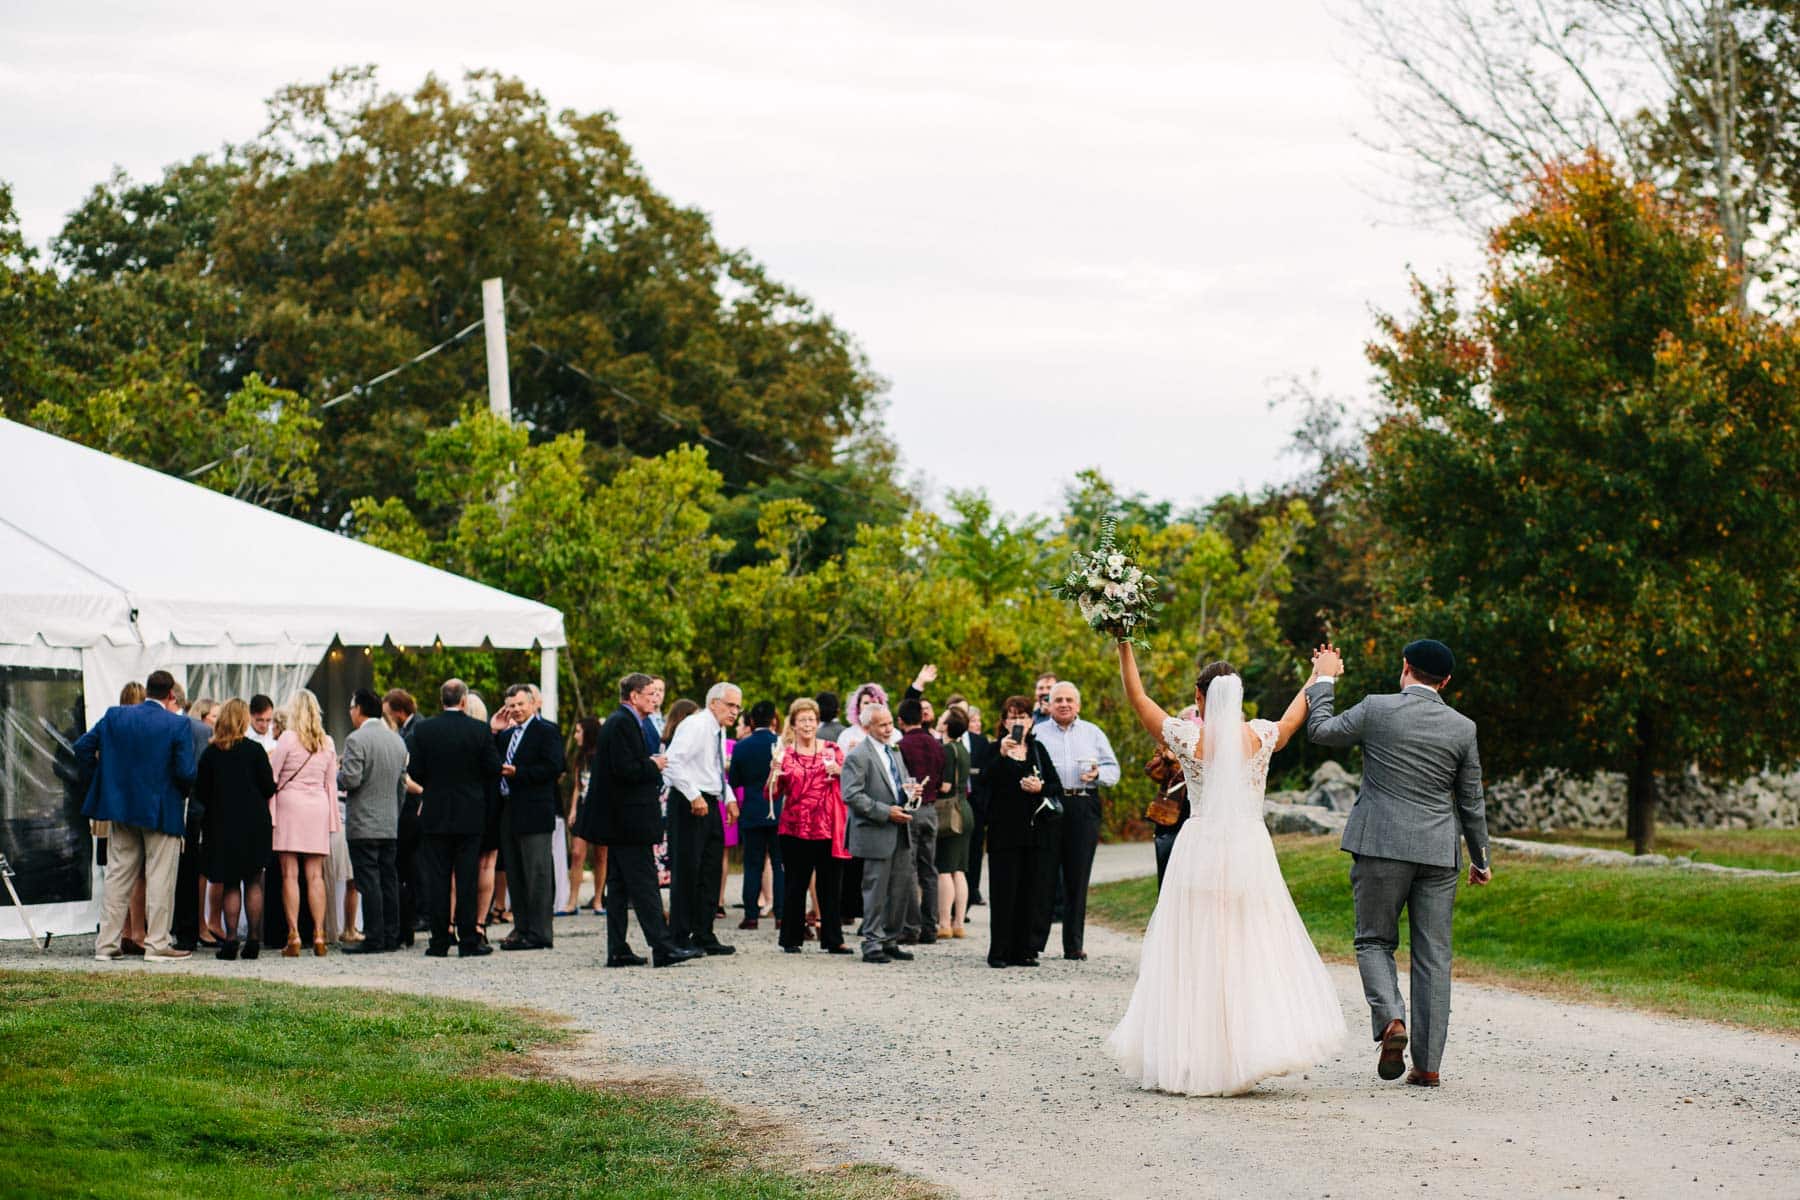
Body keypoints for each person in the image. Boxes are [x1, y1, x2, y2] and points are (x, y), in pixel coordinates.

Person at [1106, 644, 1343, 1096]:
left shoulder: (1188, 738)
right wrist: (1320, 674)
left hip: (1200, 847)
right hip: (1248, 849)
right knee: (1247, 946)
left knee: (1197, 949)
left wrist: (1124, 643)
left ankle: (1195, 1057)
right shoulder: (1261, 735)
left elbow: (1138, 698)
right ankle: (1245, 1053)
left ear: (1200, 697)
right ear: (1238, 696)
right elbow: (1297, 713)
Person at [1305, 639, 1492, 1088]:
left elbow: (1321, 730)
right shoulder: (1462, 728)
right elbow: (1471, 800)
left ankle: (1392, 1021)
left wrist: (1324, 678)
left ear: (1405, 667)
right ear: (1445, 681)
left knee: (1373, 941)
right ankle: (1427, 1067)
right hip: (1437, 852)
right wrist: (1481, 858)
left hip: (1381, 844)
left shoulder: (1376, 709)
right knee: (1434, 956)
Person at [574, 673, 699, 967]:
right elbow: (624, 769)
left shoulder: (628, 722)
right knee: (644, 884)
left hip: (622, 819)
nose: (654, 698)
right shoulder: (621, 723)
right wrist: (652, 764)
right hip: (627, 820)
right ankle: (663, 946)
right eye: (649, 693)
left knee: (617, 886)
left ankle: (617, 948)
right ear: (633, 696)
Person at [77, 669, 198, 962]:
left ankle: (106, 945)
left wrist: (106, 781)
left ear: (147, 690)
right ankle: (157, 945)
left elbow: (82, 748)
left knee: (117, 877)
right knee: (160, 879)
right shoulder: (178, 724)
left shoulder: (116, 717)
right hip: (161, 811)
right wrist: (179, 791)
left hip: (121, 808)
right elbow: (185, 772)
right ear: (171, 695)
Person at [409, 678, 502, 958]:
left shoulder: (424, 731)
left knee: (438, 878)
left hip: (436, 812)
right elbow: (493, 768)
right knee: (467, 877)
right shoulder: (479, 730)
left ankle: (439, 940)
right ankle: (469, 940)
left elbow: (416, 770)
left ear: (442, 701)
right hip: (469, 813)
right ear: (464, 701)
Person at [1036, 681, 1120, 961]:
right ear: (1048, 704)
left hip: (1083, 803)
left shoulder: (1093, 733)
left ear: (1078, 705)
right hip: (1050, 805)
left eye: (1069, 700)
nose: (1063, 704)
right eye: (1058, 699)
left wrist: (1097, 774)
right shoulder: (1037, 733)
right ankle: (1034, 942)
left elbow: (1113, 769)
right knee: (1044, 875)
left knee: (1078, 876)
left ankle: (1073, 945)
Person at [766, 698, 851, 955]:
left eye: (811, 719)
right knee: (795, 884)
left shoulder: (832, 749)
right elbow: (771, 793)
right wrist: (774, 773)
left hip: (826, 826)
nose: (807, 724)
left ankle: (833, 939)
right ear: (793, 724)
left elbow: (852, 780)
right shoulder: (785, 753)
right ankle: (791, 938)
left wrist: (839, 771)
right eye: (802, 720)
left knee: (830, 886)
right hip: (794, 827)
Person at [983, 696, 1062, 968]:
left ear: (1031, 720)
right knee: (1004, 892)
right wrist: (1002, 756)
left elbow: (1056, 786)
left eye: (1023, 717)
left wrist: (1040, 788)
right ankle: (999, 951)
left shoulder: (1037, 749)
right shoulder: (993, 749)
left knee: (1031, 891)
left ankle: (1023, 950)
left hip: (1034, 830)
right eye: (1013, 717)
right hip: (1004, 832)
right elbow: (982, 784)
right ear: (1004, 722)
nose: (1018, 722)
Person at [663, 683, 741, 956]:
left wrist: (728, 797)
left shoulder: (719, 730)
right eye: (730, 705)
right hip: (688, 801)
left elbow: (715, 769)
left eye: (738, 707)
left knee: (710, 869)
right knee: (687, 870)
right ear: (713, 703)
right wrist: (693, 795)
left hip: (710, 800)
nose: (735, 712)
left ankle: (704, 932)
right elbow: (672, 761)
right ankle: (679, 936)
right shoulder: (696, 725)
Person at [196, 698, 276, 960]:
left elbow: (201, 792)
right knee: (254, 882)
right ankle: (252, 940)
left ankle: (230, 940)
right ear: (244, 720)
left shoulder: (211, 753)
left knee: (230, 883)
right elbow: (269, 787)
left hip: (222, 824)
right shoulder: (255, 751)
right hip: (254, 824)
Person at [841, 703, 921, 963]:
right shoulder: (858, 755)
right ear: (867, 727)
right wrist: (886, 812)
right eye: (883, 725)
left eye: (890, 723)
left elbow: (901, 784)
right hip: (875, 830)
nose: (889, 729)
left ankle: (890, 939)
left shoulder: (894, 751)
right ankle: (872, 942)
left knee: (900, 888)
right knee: (875, 890)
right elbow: (851, 795)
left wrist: (912, 795)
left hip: (899, 828)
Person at [492, 682, 566, 950]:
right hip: (509, 809)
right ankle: (521, 927)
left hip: (535, 810)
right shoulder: (505, 735)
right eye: (511, 706)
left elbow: (554, 766)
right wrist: (494, 730)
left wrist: (519, 773)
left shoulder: (546, 731)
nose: (516, 710)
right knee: (515, 871)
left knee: (538, 873)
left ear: (533, 704)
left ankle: (540, 932)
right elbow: (490, 761)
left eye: (521, 704)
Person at [269, 689, 342, 958]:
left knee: (289, 874)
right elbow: (331, 784)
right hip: (318, 807)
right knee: (315, 875)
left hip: (290, 806)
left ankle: (294, 936)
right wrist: (333, 821)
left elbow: (272, 776)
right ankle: (320, 935)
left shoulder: (288, 739)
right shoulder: (328, 742)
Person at [338, 688, 408, 954]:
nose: (350, 713)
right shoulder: (396, 741)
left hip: (364, 824)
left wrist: (339, 773)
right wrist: (394, 811)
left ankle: (374, 937)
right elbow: (401, 785)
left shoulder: (357, 740)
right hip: (389, 822)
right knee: (388, 879)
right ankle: (392, 935)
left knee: (369, 882)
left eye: (351, 708)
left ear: (359, 709)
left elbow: (351, 780)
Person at [167, 681, 216, 953]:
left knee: (169, 872)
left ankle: (176, 928)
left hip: (176, 807)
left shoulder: (169, 727)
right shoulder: (203, 731)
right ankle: (189, 929)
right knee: (189, 871)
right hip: (196, 809)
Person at [894, 698, 944, 945]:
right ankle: (930, 926)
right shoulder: (936, 745)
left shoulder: (901, 746)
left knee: (909, 868)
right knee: (929, 869)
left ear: (900, 720)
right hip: (931, 809)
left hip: (911, 809)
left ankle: (910, 927)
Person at [729, 700, 783, 931]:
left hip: (752, 809)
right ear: (774, 719)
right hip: (779, 810)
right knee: (780, 864)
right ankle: (781, 914)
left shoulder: (742, 746)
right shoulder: (781, 745)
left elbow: (734, 780)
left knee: (752, 864)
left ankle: (751, 915)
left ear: (750, 721)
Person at [382, 688, 425, 945]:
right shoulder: (410, 729)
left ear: (398, 712)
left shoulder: (413, 731)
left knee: (408, 867)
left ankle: (412, 917)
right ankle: (409, 921)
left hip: (412, 806)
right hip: (409, 805)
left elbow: (406, 772)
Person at [933, 707, 976, 939]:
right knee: (960, 870)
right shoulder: (964, 749)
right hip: (965, 809)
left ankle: (944, 923)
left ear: (947, 726)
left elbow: (945, 786)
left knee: (944, 869)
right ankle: (959, 922)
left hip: (950, 812)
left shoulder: (948, 750)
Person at [1149, 705, 1198, 889]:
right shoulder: (1167, 745)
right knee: (1168, 863)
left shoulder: (1208, 745)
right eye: (1184, 722)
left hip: (1198, 811)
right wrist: (1169, 758)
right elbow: (1153, 772)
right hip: (1171, 814)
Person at [565, 715, 606, 915]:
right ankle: (572, 900)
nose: (576, 736)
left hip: (600, 806)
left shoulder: (603, 755)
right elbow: (577, 785)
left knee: (601, 854)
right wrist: (573, 809)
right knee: (577, 853)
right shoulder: (580, 757)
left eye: (579, 731)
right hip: (583, 805)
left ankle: (598, 899)